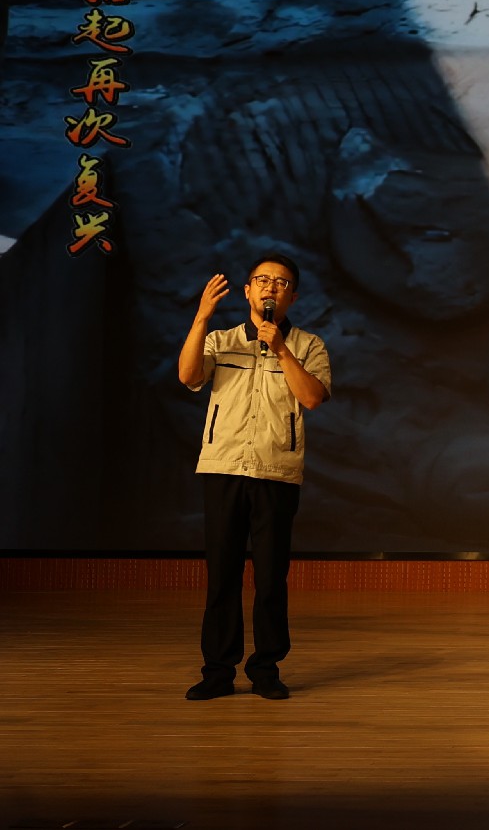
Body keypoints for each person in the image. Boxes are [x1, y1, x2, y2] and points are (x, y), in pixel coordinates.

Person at [175, 253, 332, 701]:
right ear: (247, 291)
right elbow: (188, 376)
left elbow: (313, 398)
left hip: (276, 471)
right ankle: (218, 670)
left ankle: (266, 668)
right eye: (262, 280)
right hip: (223, 467)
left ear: (292, 297)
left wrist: (281, 349)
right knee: (221, 575)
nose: (270, 288)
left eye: (280, 283)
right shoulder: (221, 339)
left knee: (270, 578)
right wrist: (202, 317)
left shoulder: (308, 345)